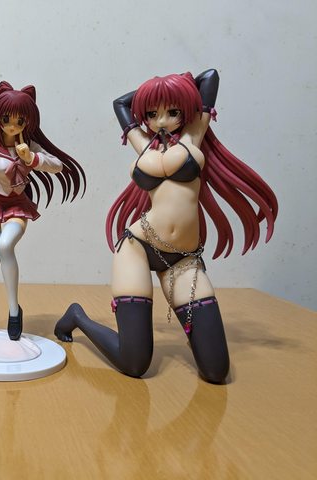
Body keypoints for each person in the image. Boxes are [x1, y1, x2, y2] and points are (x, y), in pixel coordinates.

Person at [54, 70, 277, 383]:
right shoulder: (143, 144)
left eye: (172, 111)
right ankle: (77, 315)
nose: (161, 120)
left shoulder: (194, 134)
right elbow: (120, 103)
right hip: (138, 247)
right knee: (134, 364)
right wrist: (153, 92)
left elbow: (210, 78)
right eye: (152, 113)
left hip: (183, 260)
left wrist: (174, 88)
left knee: (216, 371)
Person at [0, 81, 86, 351]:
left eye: (20, 120)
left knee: (5, 246)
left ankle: (14, 311)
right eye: (7, 119)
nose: (13, 126)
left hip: (17, 206)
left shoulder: (29, 145)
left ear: (28, 121)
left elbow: (57, 166)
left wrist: (31, 158)